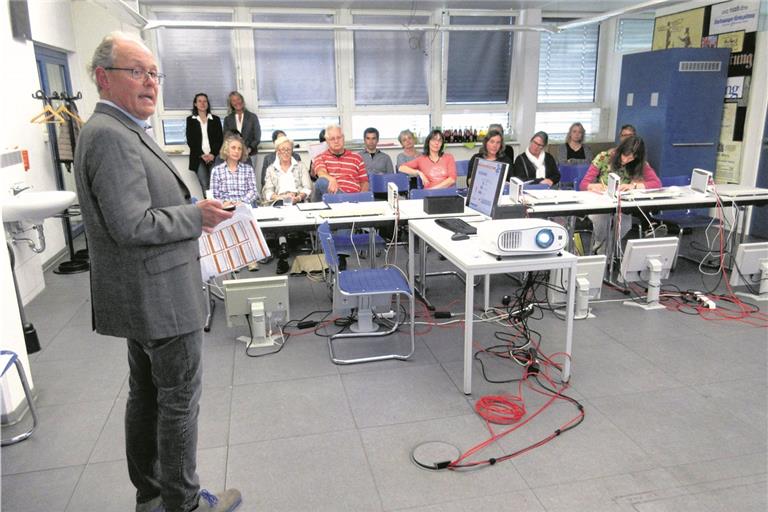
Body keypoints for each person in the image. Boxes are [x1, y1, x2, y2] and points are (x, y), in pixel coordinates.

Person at [74, 32, 241, 512]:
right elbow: (130, 223)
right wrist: (196, 217)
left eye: (154, 73)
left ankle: (153, 496)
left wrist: (185, 204)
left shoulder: (121, 129)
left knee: (146, 396)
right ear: (104, 78)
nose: (150, 83)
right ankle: (182, 503)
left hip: (144, 294)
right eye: (137, 72)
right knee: (177, 402)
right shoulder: (110, 135)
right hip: (161, 298)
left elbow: (136, 205)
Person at [579, 135, 662, 254]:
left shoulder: (639, 163)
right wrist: (592, 186)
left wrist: (633, 186)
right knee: (600, 221)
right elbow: (583, 184)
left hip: (622, 205)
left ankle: (605, 249)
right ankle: (600, 246)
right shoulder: (604, 157)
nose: (626, 160)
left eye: (631, 158)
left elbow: (657, 183)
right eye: (625, 156)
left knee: (625, 225)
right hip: (601, 203)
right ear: (620, 150)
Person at [263, 135, 313, 274]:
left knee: (288, 209)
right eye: (282, 150)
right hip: (279, 200)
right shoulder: (271, 169)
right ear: (277, 151)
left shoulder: (300, 166)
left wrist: (298, 197)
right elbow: (267, 192)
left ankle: (283, 246)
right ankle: (283, 248)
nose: (285, 152)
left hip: (298, 200)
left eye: (288, 150)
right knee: (280, 209)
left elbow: (307, 188)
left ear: (292, 151)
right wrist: (280, 196)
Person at [312, 125, 369, 199]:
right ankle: (344, 200)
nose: (336, 141)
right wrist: (332, 179)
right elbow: (321, 173)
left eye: (339, 137)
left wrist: (361, 198)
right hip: (332, 198)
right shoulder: (320, 157)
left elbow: (364, 182)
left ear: (343, 138)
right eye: (332, 139)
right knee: (321, 182)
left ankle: (347, 201)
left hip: (354, 197)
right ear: (327, 141)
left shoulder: (357, 157)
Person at [186, 92, 223, 193]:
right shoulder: (190, 120)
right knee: (205, 184)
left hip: (214, 157)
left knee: (215, 184)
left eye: (205, 101)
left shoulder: (215, 120)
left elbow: (220, 139)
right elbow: (191, 140)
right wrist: (201, 155)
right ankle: (209, 207)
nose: (202, 103)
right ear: (195, 104)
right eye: (199, 101)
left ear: (208, 103)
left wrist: (212, 154)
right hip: (198, 157)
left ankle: (218, 206)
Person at [210, 134, 259, 207]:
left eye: (239, 149)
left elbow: (253, 192)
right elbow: (214, 195)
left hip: (244, 207)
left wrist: (242, 202)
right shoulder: (216, 171)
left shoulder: (248, 170)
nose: (237, 151)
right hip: (225, 208)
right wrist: (224, 203)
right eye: (233, 148)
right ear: (226, 150)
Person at [221, 91, 261, 168]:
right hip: (233, 154)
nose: (237, 102)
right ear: (231, 104)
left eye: (238, 99)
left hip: (250, 153)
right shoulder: (228, 119)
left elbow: (257, 137)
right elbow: (226, 137)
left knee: (250, 178)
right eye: (233, 100)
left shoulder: (252, 117)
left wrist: (248, 149)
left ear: (242, 100)